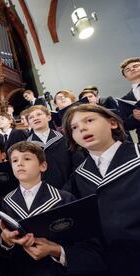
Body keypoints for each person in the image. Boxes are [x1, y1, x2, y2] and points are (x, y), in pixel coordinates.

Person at [0, 141, 106, 275]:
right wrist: (6, 241)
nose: (19, 163)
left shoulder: (65, 199)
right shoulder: (7, 202)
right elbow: (1, 252)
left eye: (27, 158)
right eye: (14, 160)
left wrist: (55, 250)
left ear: (43, 166)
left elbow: (90, 249)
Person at [63, 104, 140, 275]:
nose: (82, 128)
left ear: (113, 123)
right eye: (74, 128)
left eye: (89, 120)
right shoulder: (78, 177)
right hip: (111, 264)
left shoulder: (137, 155)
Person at [26, 105, 84, 189]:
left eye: (39, 114)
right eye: (31, 117)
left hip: (72, 189)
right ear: (29, 123)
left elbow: (79, 165)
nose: (35, 118)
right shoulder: (27, 148)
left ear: (49, 117)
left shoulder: (66, 139)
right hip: (45, 194)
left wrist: (69, 187)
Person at [118, 57, 140, 141]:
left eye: (136, 66)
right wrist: (134, 117)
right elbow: (126, 125)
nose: (132, 69)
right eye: (127, 70)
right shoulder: (124, 100)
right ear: (125, 77)